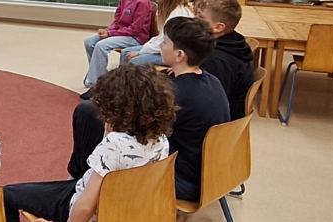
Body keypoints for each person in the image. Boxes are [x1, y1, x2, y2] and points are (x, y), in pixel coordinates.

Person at [68, 17, 228, 202]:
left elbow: (137, 132)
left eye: (165, 42)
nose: (160, 45)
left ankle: (82, 184)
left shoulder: (176, 95)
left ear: (179, 55)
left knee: (90, 113)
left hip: (182, 179)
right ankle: (83, 179)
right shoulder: (211, 80)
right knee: (92, 112)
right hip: (210, 171)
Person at [1, 64, 175, 222]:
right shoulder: (161, 139)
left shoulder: (115, 145)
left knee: (4, 196)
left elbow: (85, 207)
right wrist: (107, 133)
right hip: (121, 206)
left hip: (83, 206)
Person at [80, 0, 153, 99]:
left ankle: (97, 86)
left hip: (135, 38)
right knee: (89, 42)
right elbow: (118, 20)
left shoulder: (143, 2)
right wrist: (108, 30)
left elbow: (135, 29)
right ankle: (102, 79)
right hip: (122, 33)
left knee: (101, 45)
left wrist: (110, 34)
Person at [196, 0, 256, 120]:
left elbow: (209, 103)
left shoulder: (217, 61)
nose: (193, 19)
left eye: (200, 17)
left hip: (221, 124)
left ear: (218, 27)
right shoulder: (233, 42)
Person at [123, 0, 194, 67]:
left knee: (135, 61)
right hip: (165, 49)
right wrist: (145, 47)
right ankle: (122, 76)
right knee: (125, 52)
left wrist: (140, 53)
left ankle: (130, 76)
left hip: (174, 54)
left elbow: (162, 43)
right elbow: (160, 38)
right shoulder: (174, 11)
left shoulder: (177, 16)